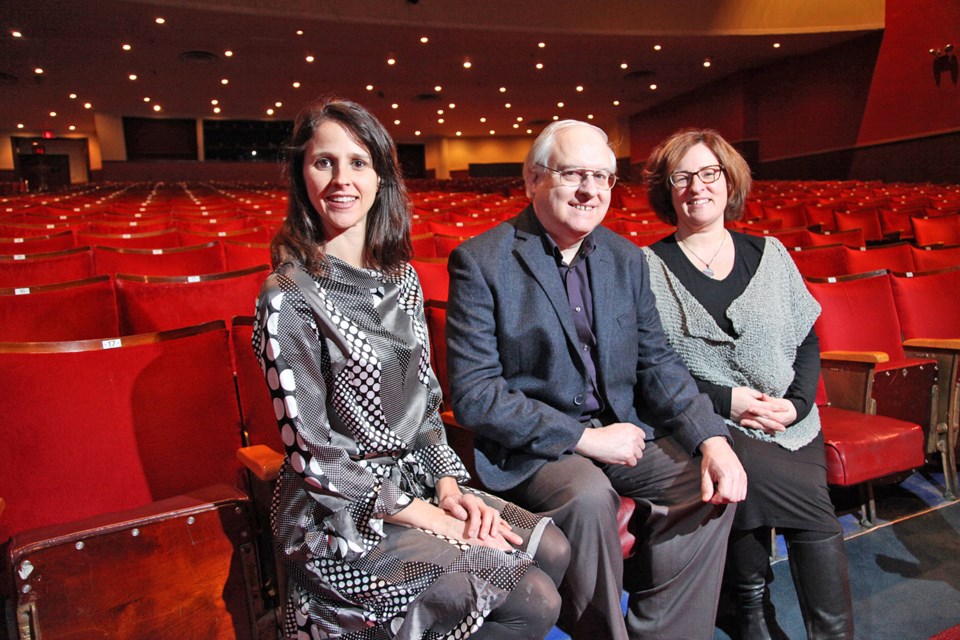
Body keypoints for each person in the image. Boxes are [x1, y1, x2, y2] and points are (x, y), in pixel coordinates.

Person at [253, 97, 570, 640]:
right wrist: (436, 520)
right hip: (341, 512)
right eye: (323, 162)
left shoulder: (401, 279)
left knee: (554, 549)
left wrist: (450, 489)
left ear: (381, 177)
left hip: (418, 483)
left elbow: (425, 404)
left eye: (358, 162)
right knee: (532, 600)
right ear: (302, 176)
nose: (340, 179)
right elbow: (315, 454)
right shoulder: (287, 294)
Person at [445, 119, 748, 640]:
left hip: (623, 433)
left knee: (708, 484)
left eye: (603, 177)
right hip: (537, 448)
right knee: (587, 497)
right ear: (532, 179)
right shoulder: (482, 261)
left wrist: (713, 438)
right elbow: (475, 396)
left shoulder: (625, 259)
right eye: (573, 174)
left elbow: (657, 362)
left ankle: (666, 633)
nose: (589, 190)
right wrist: (584, 439)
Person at [641, 128, 854, 639]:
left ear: (729, 179)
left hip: (791, 422)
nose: (697, 186)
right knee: (746, 477)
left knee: (795, 494)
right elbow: (649, 366)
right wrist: (726, 401)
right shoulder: (646, 266)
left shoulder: (770, 253)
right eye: (683, 177)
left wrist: (798, 406)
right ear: (667, 190)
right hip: (707, 422)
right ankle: (754, 621)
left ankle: (804, 629)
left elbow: (806, 340)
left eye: (709, 173)